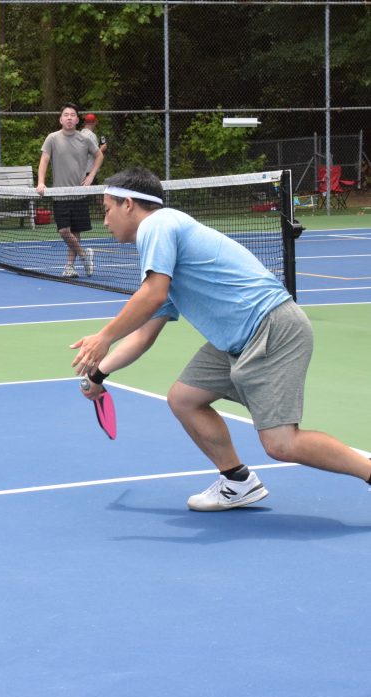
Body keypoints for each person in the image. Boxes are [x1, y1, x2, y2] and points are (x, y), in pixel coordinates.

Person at [71, 166, 371, 511]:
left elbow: (151, 296)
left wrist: (104, 337)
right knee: (184, 399)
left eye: (106, 209)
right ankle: (237, 481)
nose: (104, 221)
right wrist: (97, 375)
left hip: (269, 327)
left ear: (128, 204)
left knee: (281, 444)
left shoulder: (158, 224)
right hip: (236, 339)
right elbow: (143, 335)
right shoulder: (165, 256)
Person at [37, 104, 102, 278]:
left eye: (73, 115)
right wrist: (41, 183)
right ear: (60, 119)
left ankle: (70, 266)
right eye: (66, 115)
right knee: (64, 230)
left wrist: (91, 176)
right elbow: (44, 160)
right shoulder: (52, 138)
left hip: (79, 193)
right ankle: (84, 255)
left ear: (77, 119)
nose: (69, 117)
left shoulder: (85, 139)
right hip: (60, 194)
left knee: (75, 231)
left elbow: (99, 155)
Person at [80, 113, 107, 181]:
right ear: (95, 122)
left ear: (85, 122)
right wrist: (102, 148)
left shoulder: (80, 134)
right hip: (89, 170)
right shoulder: (91, 136)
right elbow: (96, 155)